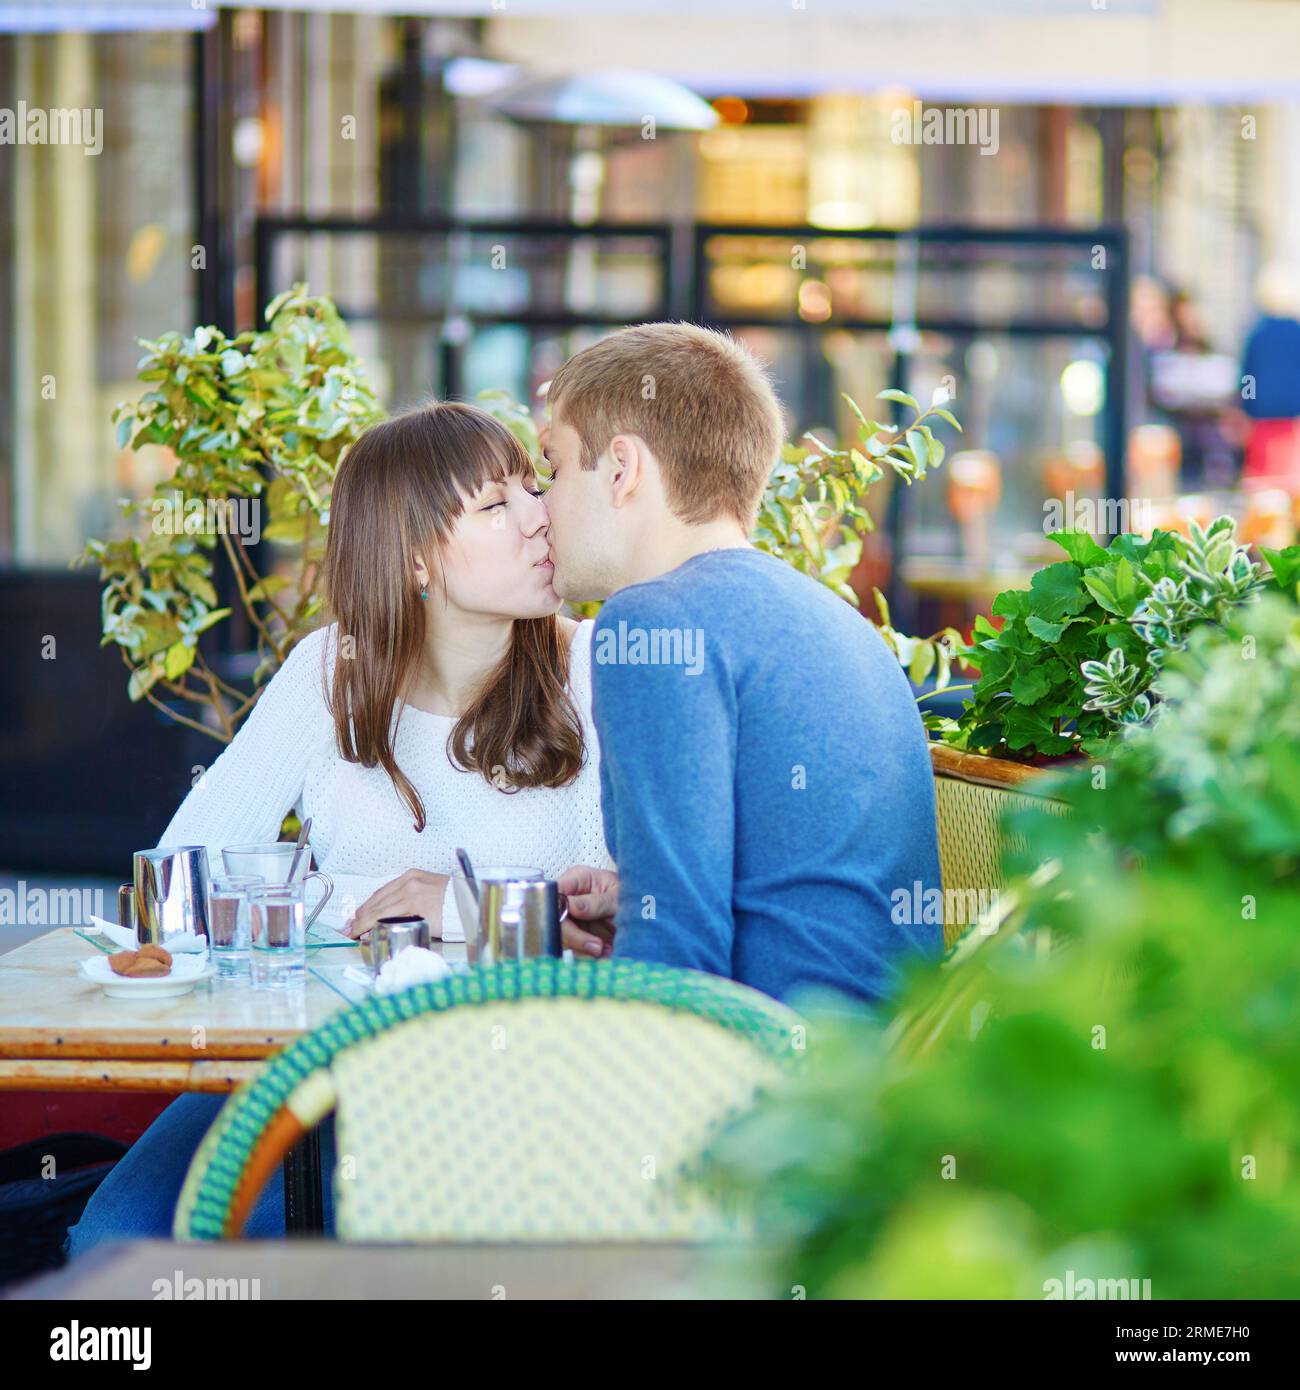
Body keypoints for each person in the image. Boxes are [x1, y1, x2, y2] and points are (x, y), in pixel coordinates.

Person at [66, 401, 612, 1255]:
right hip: (305, 1065)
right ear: (414, 559)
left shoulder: (593, 671)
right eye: (496, 506)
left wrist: (458, 905)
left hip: (506, 1082)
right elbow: (177, 874)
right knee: (116, 1242)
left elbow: (612, 925)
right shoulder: (332, 668)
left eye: (532, 490)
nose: (539, 516)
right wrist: (334, 893)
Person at [544, 322, 944, 1006]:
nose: (539, 504)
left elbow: (677, 968)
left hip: (773, 1083)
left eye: (552, 467)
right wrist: (639, 902)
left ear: (621, 469)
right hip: (884, 1080)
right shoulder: (841, 624)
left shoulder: (650, 622)